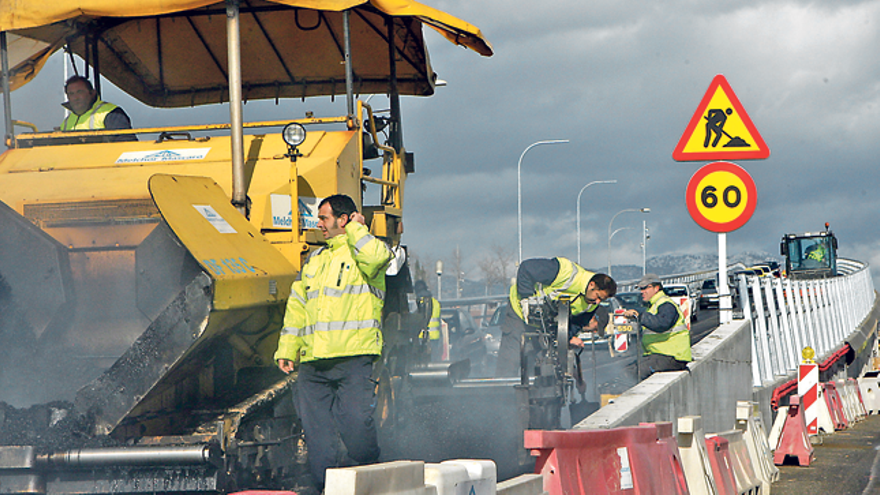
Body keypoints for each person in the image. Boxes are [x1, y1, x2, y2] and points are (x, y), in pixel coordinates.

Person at [274, 194, 391, 492]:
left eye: (324, 218)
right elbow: (297, 307)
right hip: (314, 363)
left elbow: (378, 257)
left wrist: (356, 228)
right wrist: (287, 349)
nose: (319, 224)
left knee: (354, 423)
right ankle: (325, 486)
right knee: (317, 434)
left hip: (353, 357)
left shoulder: (364, 252)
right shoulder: (315, 261)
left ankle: (368, 472)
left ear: (343, 219)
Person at [495, 257, 617, 377]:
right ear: (592, 285)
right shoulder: (565, 272)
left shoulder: (590, 305)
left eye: (601, 300)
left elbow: (575, 324)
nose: (597, 302)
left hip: (543, 324)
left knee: (543, 366)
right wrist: (526, 299)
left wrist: (565, 339)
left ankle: (536, 393)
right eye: (597, 296)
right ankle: (502, 393)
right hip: (519, 313)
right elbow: (526, 268)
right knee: (511, 359)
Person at [623, 273, 692, 380]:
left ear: (656, 288)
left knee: (634, 373)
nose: (642, 292)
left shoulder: (666, 304)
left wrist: (639, 316)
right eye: (641, 289)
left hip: (672, 357)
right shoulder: (653, 306)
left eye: (645, 288)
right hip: (661, 356)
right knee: (628, 369)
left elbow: (662, 324)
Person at [60, 75, 136, 140]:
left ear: (92, 93)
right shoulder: (66, 122)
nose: (75, 97)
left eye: (80, 92)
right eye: (71, 94)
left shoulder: (111, 113)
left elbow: (126, 144)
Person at [414, 280, 442, 360]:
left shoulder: (418, 302)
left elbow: (414, 318)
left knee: (421, 360)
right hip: (435, 336)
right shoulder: (436, 303)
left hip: (421, 335)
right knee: (434, 360)